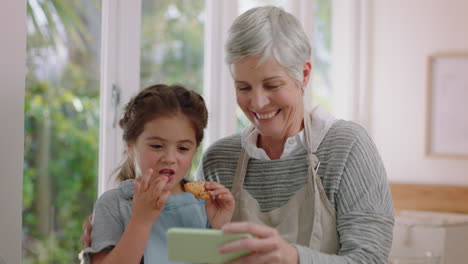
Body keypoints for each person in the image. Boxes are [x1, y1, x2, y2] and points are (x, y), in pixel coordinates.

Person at [83, 6, 394, 264]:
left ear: (305, 74)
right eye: (243, 87)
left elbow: (370, 258)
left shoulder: (347, 147)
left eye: (272, 85)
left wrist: (293, 257)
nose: (257, 103)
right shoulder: (221, 159)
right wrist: (110, 241)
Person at [81, 84, 235, 264]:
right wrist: (140, 222)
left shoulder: (205, 206)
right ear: (130, 147)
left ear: (195, 150)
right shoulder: (114, 205)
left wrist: (220, 229)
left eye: (183, 148)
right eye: (156, 146)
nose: (170, 158)